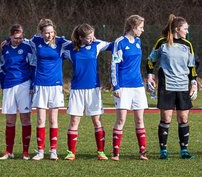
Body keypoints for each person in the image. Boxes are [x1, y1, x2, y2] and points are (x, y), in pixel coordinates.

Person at [148, 14, 198, 159]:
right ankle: (163, 150)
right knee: (166, 118)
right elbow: (150, 61)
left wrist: (193, 83)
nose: (187, 32)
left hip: (183, 86)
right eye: (185, 29)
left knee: (183, 118)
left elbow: (192, 66)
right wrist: (150, 76)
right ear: (177, 29)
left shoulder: (187, 45)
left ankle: (184, 150)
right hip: (167, 86)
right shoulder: (161, 43)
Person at [62, 23, 113, 161]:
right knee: (74, 121)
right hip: (77, 89)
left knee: (97, 120)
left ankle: (101, 152)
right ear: (80, 37)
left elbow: (115, 45)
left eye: (92, 36)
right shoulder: (70, 49)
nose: (91, 39)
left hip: (93, 89)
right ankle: (71, 152)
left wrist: (97, 40)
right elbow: (54, 48)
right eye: (88, 37)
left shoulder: (97, 45)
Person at [28, 19, 71, 161]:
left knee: (53, 119)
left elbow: (77, 43)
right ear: (41, 33)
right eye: (46, 33)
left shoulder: (60, 42)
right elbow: (20, 41)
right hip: (40, 84)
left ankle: (53, 150)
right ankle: (40, 151)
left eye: (52, 32)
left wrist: (91, 39)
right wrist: (6, 43)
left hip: (56, 85)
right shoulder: (35, 41)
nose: (49, 35)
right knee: (41, 119)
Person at [110, 15, 150, 161]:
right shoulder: (119, 42)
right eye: (140, 27)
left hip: (138, 86)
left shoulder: (138, 42)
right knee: (121, 120)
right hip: (123, 87)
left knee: (140, 119)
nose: (142, 30)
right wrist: (116, 86)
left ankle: (143, 152)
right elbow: (114, 65)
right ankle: (115, 152)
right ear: (133, 27)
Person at [0, 24, 34, 159]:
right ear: (11, 35)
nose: (19, 40)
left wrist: (32, 84)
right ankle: (9, 151)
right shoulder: (5, 48)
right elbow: (1, 67)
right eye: (16, 37)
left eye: (20, 37)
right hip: (9, 86)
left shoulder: (27, 47)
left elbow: (32, 66)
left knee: (25, 119)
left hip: (24, 84)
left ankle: (25, 152)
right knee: (10, 120)